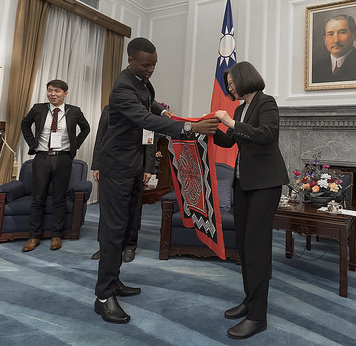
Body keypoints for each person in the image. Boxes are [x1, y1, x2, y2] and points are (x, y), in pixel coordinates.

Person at [94, 37, 219, 324]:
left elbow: (150, 106)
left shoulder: (143, 83)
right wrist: (189, 127)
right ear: (130, 60)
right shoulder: (122, 87)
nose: (151, 70)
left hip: (133, 165)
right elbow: (144, 119)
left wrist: (163, 110)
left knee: (126, 226)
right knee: (113, 231)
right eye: (145, 65)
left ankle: (113, 281)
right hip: (116, 167)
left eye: (154, 65)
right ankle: (103, 297)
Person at [213, 61, 289, 340]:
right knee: (244, 247)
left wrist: (231, 123)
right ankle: (249, 300)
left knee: (256, 248)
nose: (229, 87)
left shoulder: (266, 103)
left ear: (245, 78)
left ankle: (257, 316)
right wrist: (208, 129)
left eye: (231, 82)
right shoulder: (239, 109)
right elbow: (229, 141)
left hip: (265, 185)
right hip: (243, 184)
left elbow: (266, 136)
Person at [20, 79, 90, 252]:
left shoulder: (74, 111)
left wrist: (74, 145)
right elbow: (25, 124)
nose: (53, 94)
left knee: (59, 198)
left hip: (63, 158)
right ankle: (33, 236)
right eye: (50, 90)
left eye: (57, 91)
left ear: (65, 93)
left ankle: (56, 235)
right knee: (38, 198)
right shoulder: (38, 108)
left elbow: (86, 128)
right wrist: (32, 143)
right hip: (42, 158)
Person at [90, 105, 156, 262]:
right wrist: (97, 165)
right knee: (108, 210)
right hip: (110, 166)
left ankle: (130, 245)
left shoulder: (144, 112)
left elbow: (150, 141)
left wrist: (148, 168)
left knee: (132, 208)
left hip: (135, 167)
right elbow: (100, 137)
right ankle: (106, 247)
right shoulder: (109, 109)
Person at [311, 14, 356, 83]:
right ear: (325, 40)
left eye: (342, 32)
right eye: (330, 34)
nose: (336, 40)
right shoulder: (314, 69)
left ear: (355, 35)